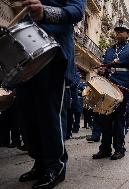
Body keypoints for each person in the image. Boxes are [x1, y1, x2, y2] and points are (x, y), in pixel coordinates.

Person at [15, 1, 85, 188]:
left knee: (49, 116)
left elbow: (77, 11)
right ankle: (40, 163)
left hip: (53, 53)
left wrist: (44, 12)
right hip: (23, 55)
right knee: (28, 116)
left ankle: (55, 166)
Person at [92, 19, 129, 160]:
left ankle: (119, 149)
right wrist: (102, 70)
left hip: (123, 89)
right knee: (105, 120)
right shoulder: (109, 50)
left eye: (122, 31)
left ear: (127, 34)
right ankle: (105, 149)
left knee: (119, 121)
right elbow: (104, 68)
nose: (118, 33)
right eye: (117, 31)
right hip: (108, 88)